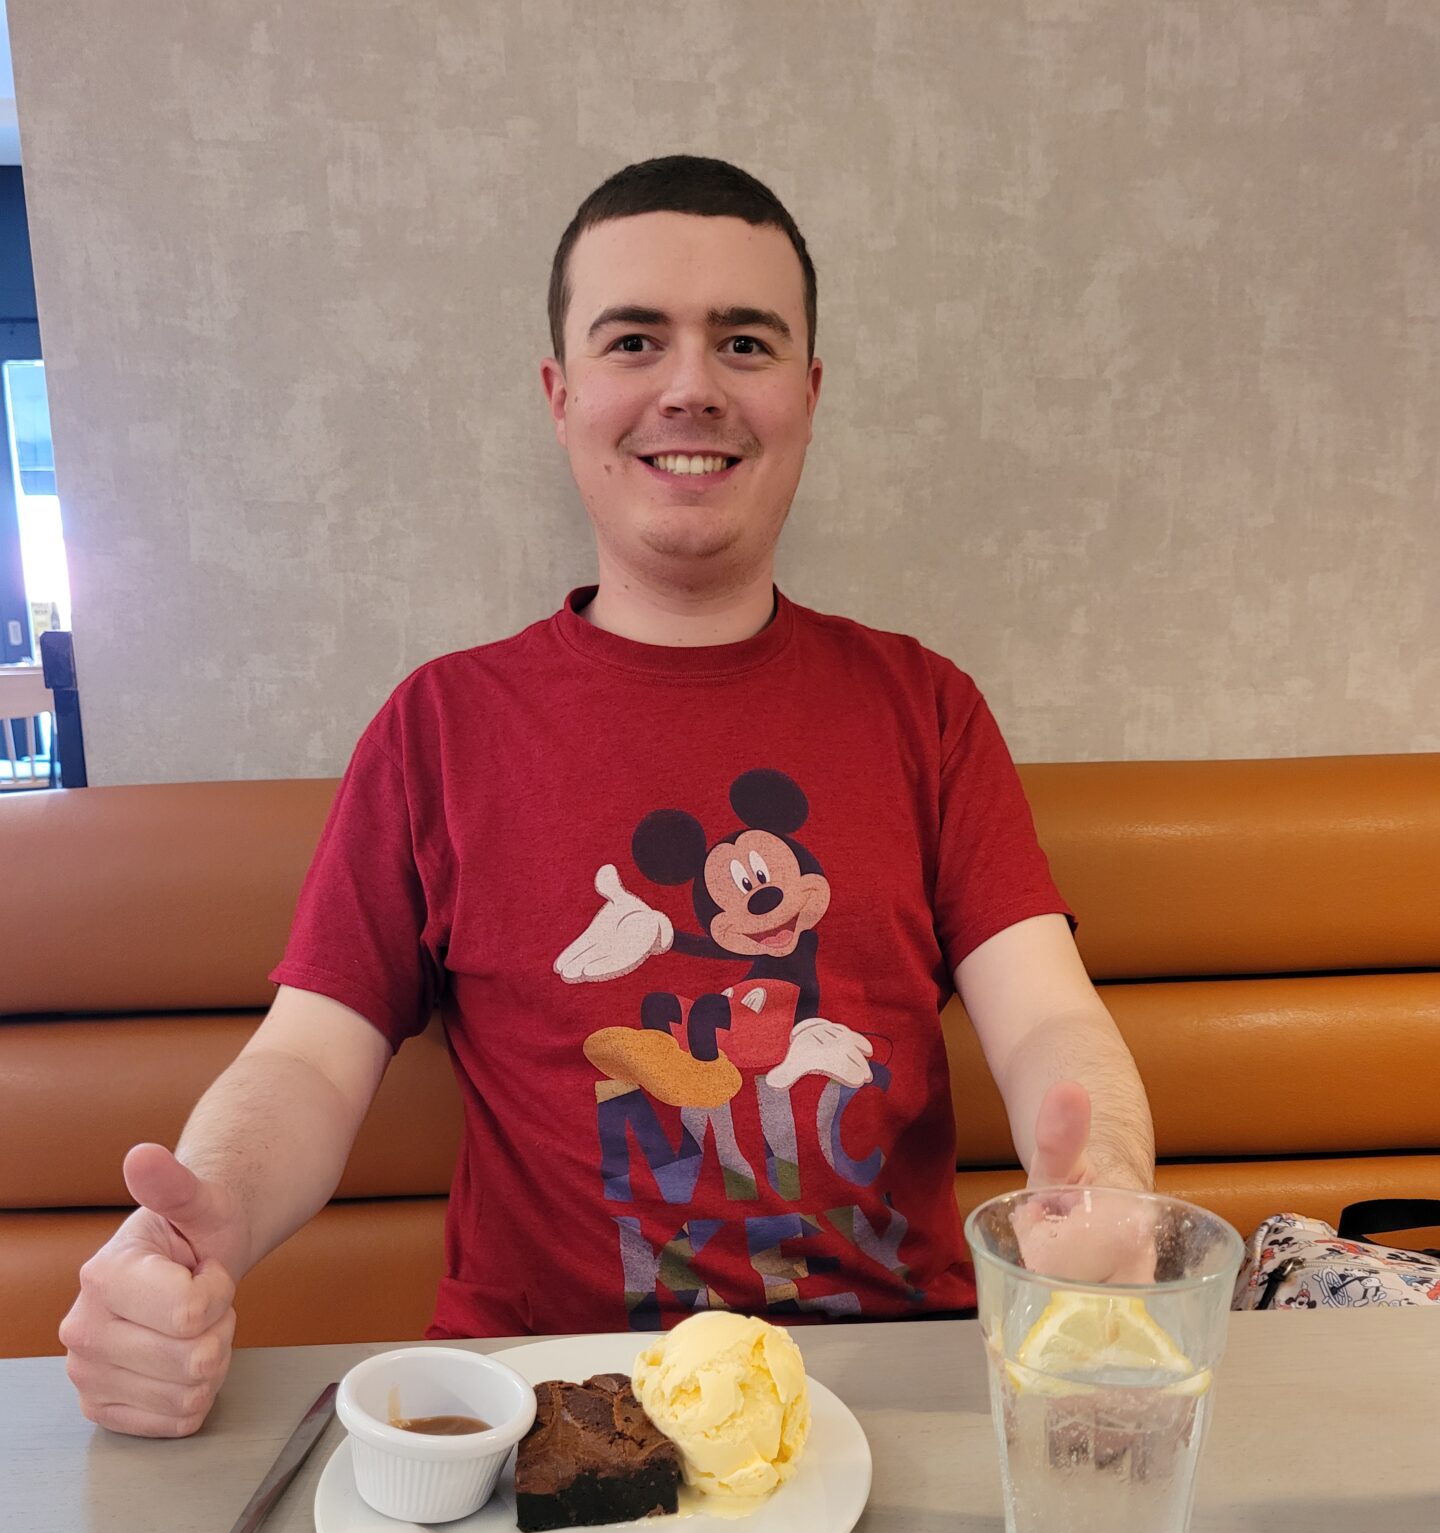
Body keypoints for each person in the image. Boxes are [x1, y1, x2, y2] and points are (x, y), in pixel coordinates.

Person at [60, 155, 1154, 1437]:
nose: (691, 387)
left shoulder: (928, 709)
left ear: (806, 395)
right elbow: (306, 1060)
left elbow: (1048, 1019)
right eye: (635, 340)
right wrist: (198, 1234)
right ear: (562, 394)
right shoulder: (439, 727)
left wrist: (1105, 1187)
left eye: (744, 342)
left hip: (888, 1401)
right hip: (547, 1407)